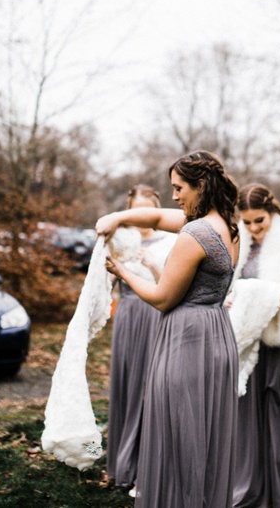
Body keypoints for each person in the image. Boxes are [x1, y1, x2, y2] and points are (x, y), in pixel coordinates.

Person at [96, 151, 240, 507]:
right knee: (203, 436)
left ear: (200, 185)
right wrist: (119, 217)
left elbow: (162, 298)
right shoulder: (227, 225)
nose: (174, 195)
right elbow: (158, 216)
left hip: (186, 339)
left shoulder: (195, 233)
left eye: (179, 188)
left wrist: (123, 271)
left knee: (176, 434)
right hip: (217, 335)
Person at [229, 183, 280, 508]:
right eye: (247, 221)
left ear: (272, 211)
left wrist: (257, 292)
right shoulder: (240, 239)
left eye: (259, 221)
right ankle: (249, 488)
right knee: (247, 418)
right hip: (248, 339)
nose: (253, 228)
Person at [106, 184, 176, 492]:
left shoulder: (171, 241)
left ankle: (148, 466)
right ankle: (123, 462)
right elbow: (107, 283)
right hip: (127, 318)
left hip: (155, 317)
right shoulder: (120, 242)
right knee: (127, 386)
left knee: (151, 390)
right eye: (136, 211)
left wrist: (151, 264)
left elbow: (171, 286)